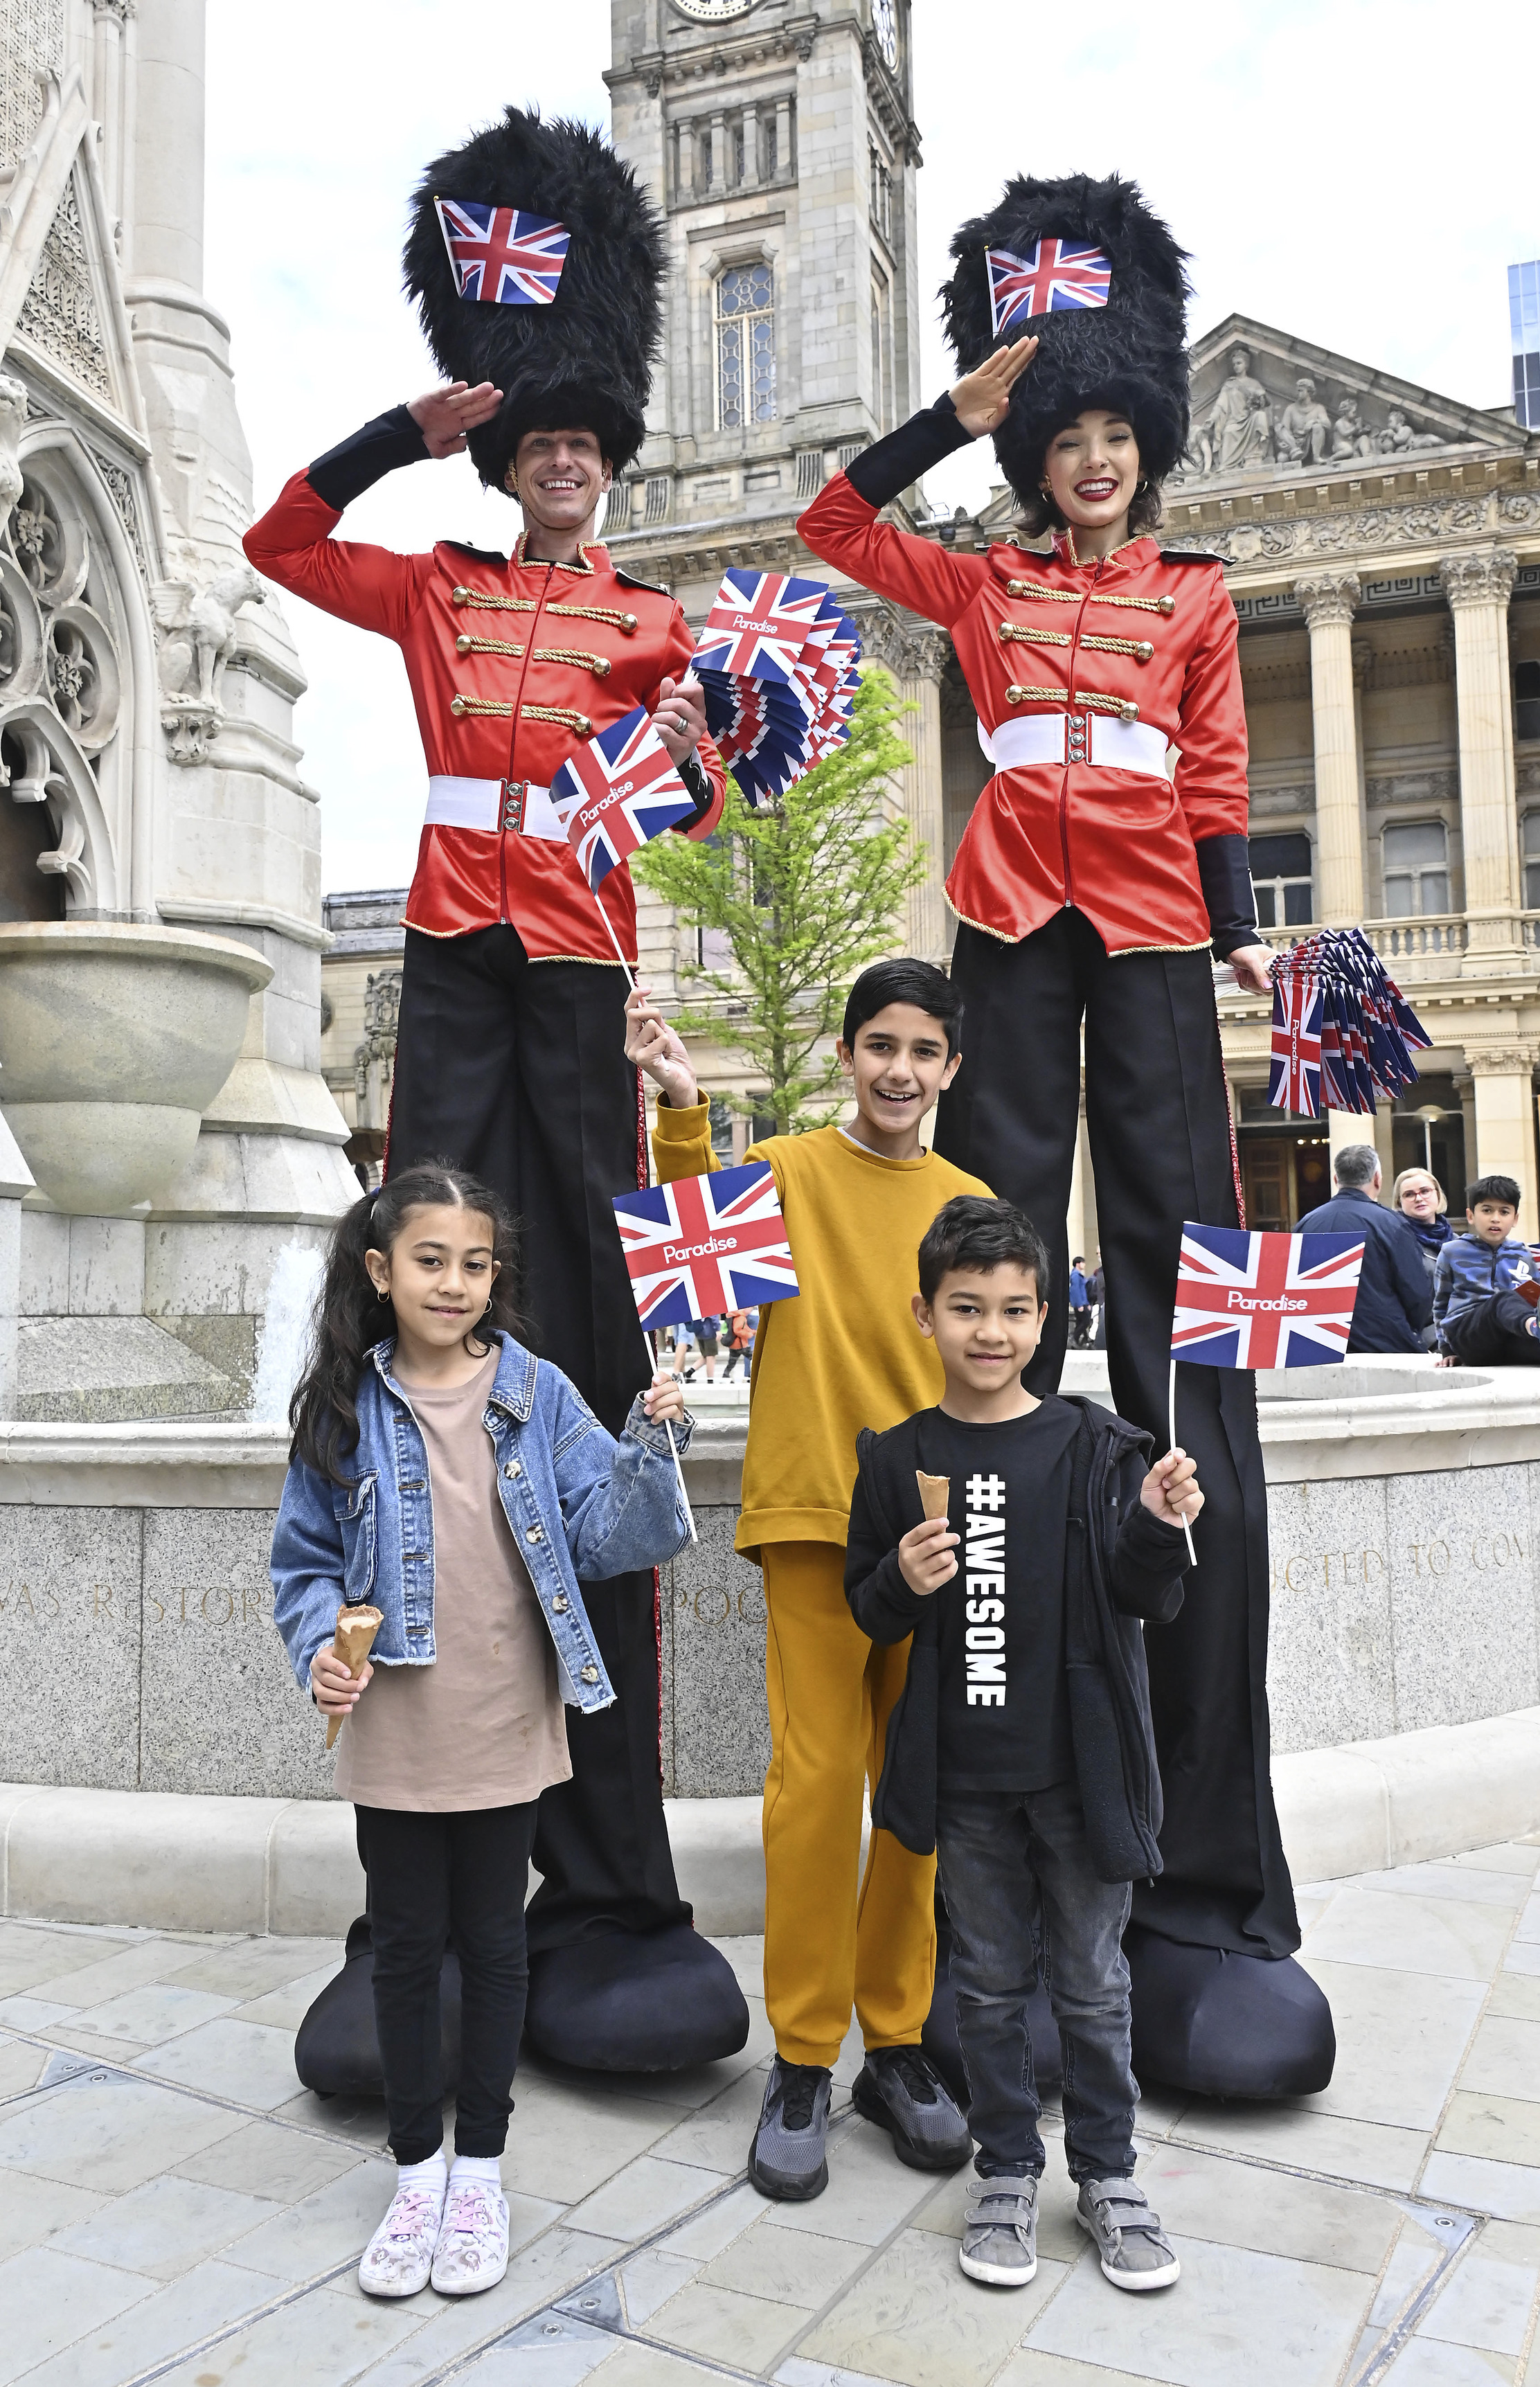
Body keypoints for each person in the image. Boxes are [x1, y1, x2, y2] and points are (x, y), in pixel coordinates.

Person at [796, 171, 1333, 2098]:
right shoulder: (983, 578)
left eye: (1115, 434)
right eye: (1067, 435)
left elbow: (1218, 776)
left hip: (1163, 938)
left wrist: (1240, 960)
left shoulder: (1198, 597)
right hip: (1012, 919)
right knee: (1000, 1254)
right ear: (1041, 448)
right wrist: (960, 404)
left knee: (1179, 1289)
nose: (1093, 461)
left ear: (1146, 450)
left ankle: (1203, 1852)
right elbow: (829, 521)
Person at [244, 109, 744, 2074]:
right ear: (513, 457)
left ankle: (613, 1881)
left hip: (587, 983)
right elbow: (287, 541)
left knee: (593, 1330)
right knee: (406, 1304)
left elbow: (722, 790)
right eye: (536, 448)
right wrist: (405, 431)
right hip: (453, 969)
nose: (559, 469)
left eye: (579, 450)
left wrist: (701, 746)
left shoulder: (657, 624)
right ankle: (413, 1904)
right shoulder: (440, 591)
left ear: (610, 468)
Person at [270, 1163, 694, 2300]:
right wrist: (317, 1641)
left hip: (507, 1718)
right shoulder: (341, 1405)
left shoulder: (534, 1389)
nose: (453, 1283)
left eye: (473, 1263)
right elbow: (302, 1562)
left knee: (496, 1942)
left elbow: (609, 1533)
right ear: (379, 1270)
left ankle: (484, 2170)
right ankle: (416, 2170)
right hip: (396, 1729)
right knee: (407, 1947)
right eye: (428, 1260)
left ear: (492, 1275)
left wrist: (651, 1443)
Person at [626, 956, 992, 2198]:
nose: (898, 1069)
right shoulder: (784, 1168)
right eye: (878, 1044)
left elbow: (996, 1358)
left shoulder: (967, 1197)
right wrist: (681, 1100)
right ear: (847, 1053)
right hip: (810, 1522)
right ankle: (801, 2054)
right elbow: (689, 1240)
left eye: (922, 1051)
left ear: (949, 1067)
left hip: (940, 1534)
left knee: (917, 1799)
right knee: (814, 1790)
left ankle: (895, 2044)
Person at [844, 1196, 1199, 2293]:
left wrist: (1154, 1520)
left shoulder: (1098, 1443)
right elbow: (868, 1608)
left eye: (1011, 1309)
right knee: (990, 1986)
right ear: (925, 1313)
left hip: (1080, 1774)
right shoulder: (898, 1455)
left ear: (1047, 1315)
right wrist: (901, 1577)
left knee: (1094, 1984)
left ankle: (1109, 2172)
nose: (989, 1331)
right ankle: (1005, 2167)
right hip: (967, 1781)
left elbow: (1157, 1596)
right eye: (965, 1308)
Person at [1296, 1146, 1432, 1355]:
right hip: (1386, 1346)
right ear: (1377, 1179)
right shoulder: (1391, 1223)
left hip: (1319, 1345)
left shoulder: (1306, 1224)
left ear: (1336, 1179)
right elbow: (1417, 1294)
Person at [1433, 1174, 1540, 1366]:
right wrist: (1446, 1350)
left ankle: (1533, 1328)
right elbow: (1441, 1304)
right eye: (1487, 1210)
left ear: (1515, 1219)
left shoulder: (1524, 1255)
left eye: (1504, 1212)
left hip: (1509, 1337)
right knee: (1503, 1299)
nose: (1495, 1219)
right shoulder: (1453, 1252)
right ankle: (1534, 1326)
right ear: (1471, 1216)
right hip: (1469, 1336)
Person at [1393, 1168, 1454, 1349]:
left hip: (1464, 1334)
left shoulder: (1458, 1244)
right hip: (1425, 1342)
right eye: (1409, 1194)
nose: (1419, 1198)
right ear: (1400, 1202)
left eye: (1425, 1191)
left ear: (1437, 1194)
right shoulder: (1398, 1244)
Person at [723, 1308, 758, 1380]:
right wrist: (748, 1335)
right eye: (750, 1310)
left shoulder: (738, 1316)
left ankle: (726, 1375)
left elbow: (745, 1328)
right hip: (741, 1344)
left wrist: (753, 1332)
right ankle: (753, 1374)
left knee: (732, 1361)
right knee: (754, 1358)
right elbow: (737, 1330)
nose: (750, 1312)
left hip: (734, 1344)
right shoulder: (741, 1317)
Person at [1068, 1255, 1091, 1349]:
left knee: (1080, 1322)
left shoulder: (1078, 1275)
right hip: (1080, 1303)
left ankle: (1078, 1342)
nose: (1084, 1265)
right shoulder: (1075, 1276)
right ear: (1078, 1264)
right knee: (1086, 1321)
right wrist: (1080, 1304)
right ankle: (1074, 1338)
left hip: (1083, 1302)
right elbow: (1075, 1291)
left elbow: (1082, 1291)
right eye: (1083, 1262)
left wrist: (1087, 1303)